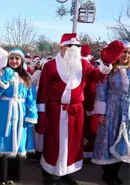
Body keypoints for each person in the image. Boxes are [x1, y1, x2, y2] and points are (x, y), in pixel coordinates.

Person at [35, 33, 113, 185]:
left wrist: (106, 62)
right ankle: (48, 172)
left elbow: (96, 77)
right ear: (61, 47)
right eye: (69, 46)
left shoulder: (84, 64)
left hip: (76, 111)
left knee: (72, 142)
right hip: (55, 110)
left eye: (76, 46)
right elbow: (43, 90)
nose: (73, 49)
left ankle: (67, 172)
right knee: (53, 141)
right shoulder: (50, 66)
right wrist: (41, 112)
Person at [0, 48, 38, 184]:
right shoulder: (2, 73)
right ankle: (0, 178)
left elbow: (31, 98)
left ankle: (12, 177)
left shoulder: (27, 77)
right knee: (3, 143)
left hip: (21, 112)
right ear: (8, 60)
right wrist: (4, 79)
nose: (14, 61)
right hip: (4, 112)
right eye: (11, 58)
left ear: (21, 61)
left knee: (18, 142)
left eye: (17, 59)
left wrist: (31, 115)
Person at [91, 40, 129, 185]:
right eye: (123, 52)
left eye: (128, 52)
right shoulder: (109, 70)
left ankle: (115, 173)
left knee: (123, 142)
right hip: (111, 109)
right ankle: (107, 174)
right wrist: (101, 113)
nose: (125, 55)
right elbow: (101, 91)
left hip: (126, 111)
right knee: (108, 141)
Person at [80, 44, 98, 159]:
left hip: (84, 105)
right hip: (83, 105)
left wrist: (90, 107)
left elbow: (90, 91)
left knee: (85, 129)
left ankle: (84, 150)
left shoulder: (89, 72)